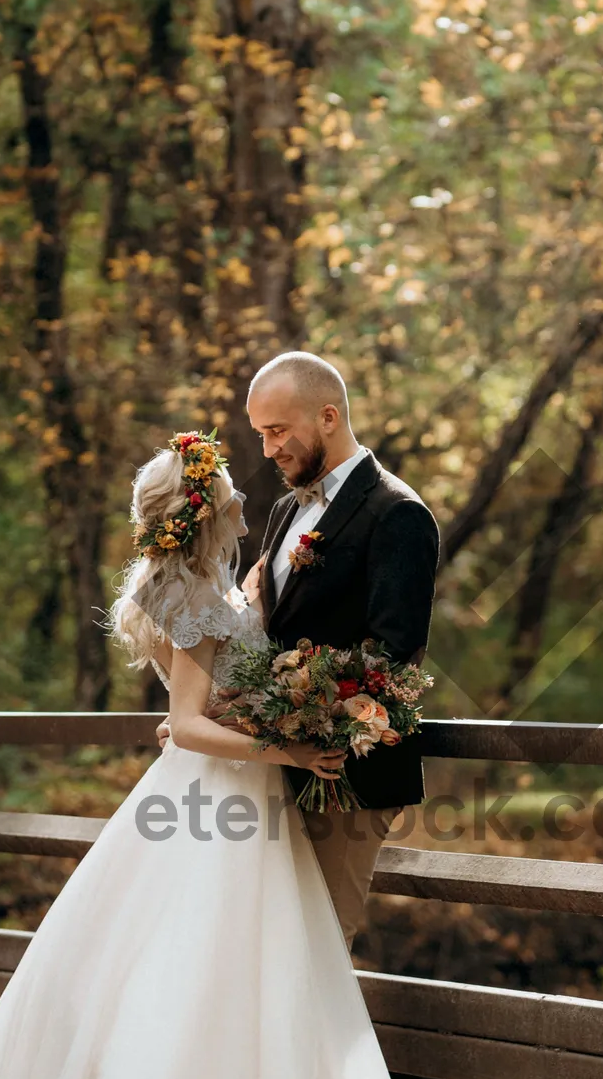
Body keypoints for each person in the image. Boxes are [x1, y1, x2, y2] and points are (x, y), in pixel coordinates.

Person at [0, 433, 427, 1079]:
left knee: (247, 987)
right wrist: (292, 752)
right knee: (200, 986)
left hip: (229, 795)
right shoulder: (189, 594)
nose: (242, 500)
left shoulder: (211, 586)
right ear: (201, 512)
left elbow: (211, 691)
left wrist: (275, 696)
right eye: (229, 492)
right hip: (218, 796)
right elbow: (191, 724)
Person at [160, 351, 440, 948]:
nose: (268, 449)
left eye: (279, 431)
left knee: (319, 952)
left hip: (348, 779)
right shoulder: (288, 508)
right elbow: (268, 637)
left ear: (329, 417)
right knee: (265, 953)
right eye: (262, 434)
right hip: (277, 771)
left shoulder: (398, 514)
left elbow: (393, 658)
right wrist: (220, 713)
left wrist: (309, 730)